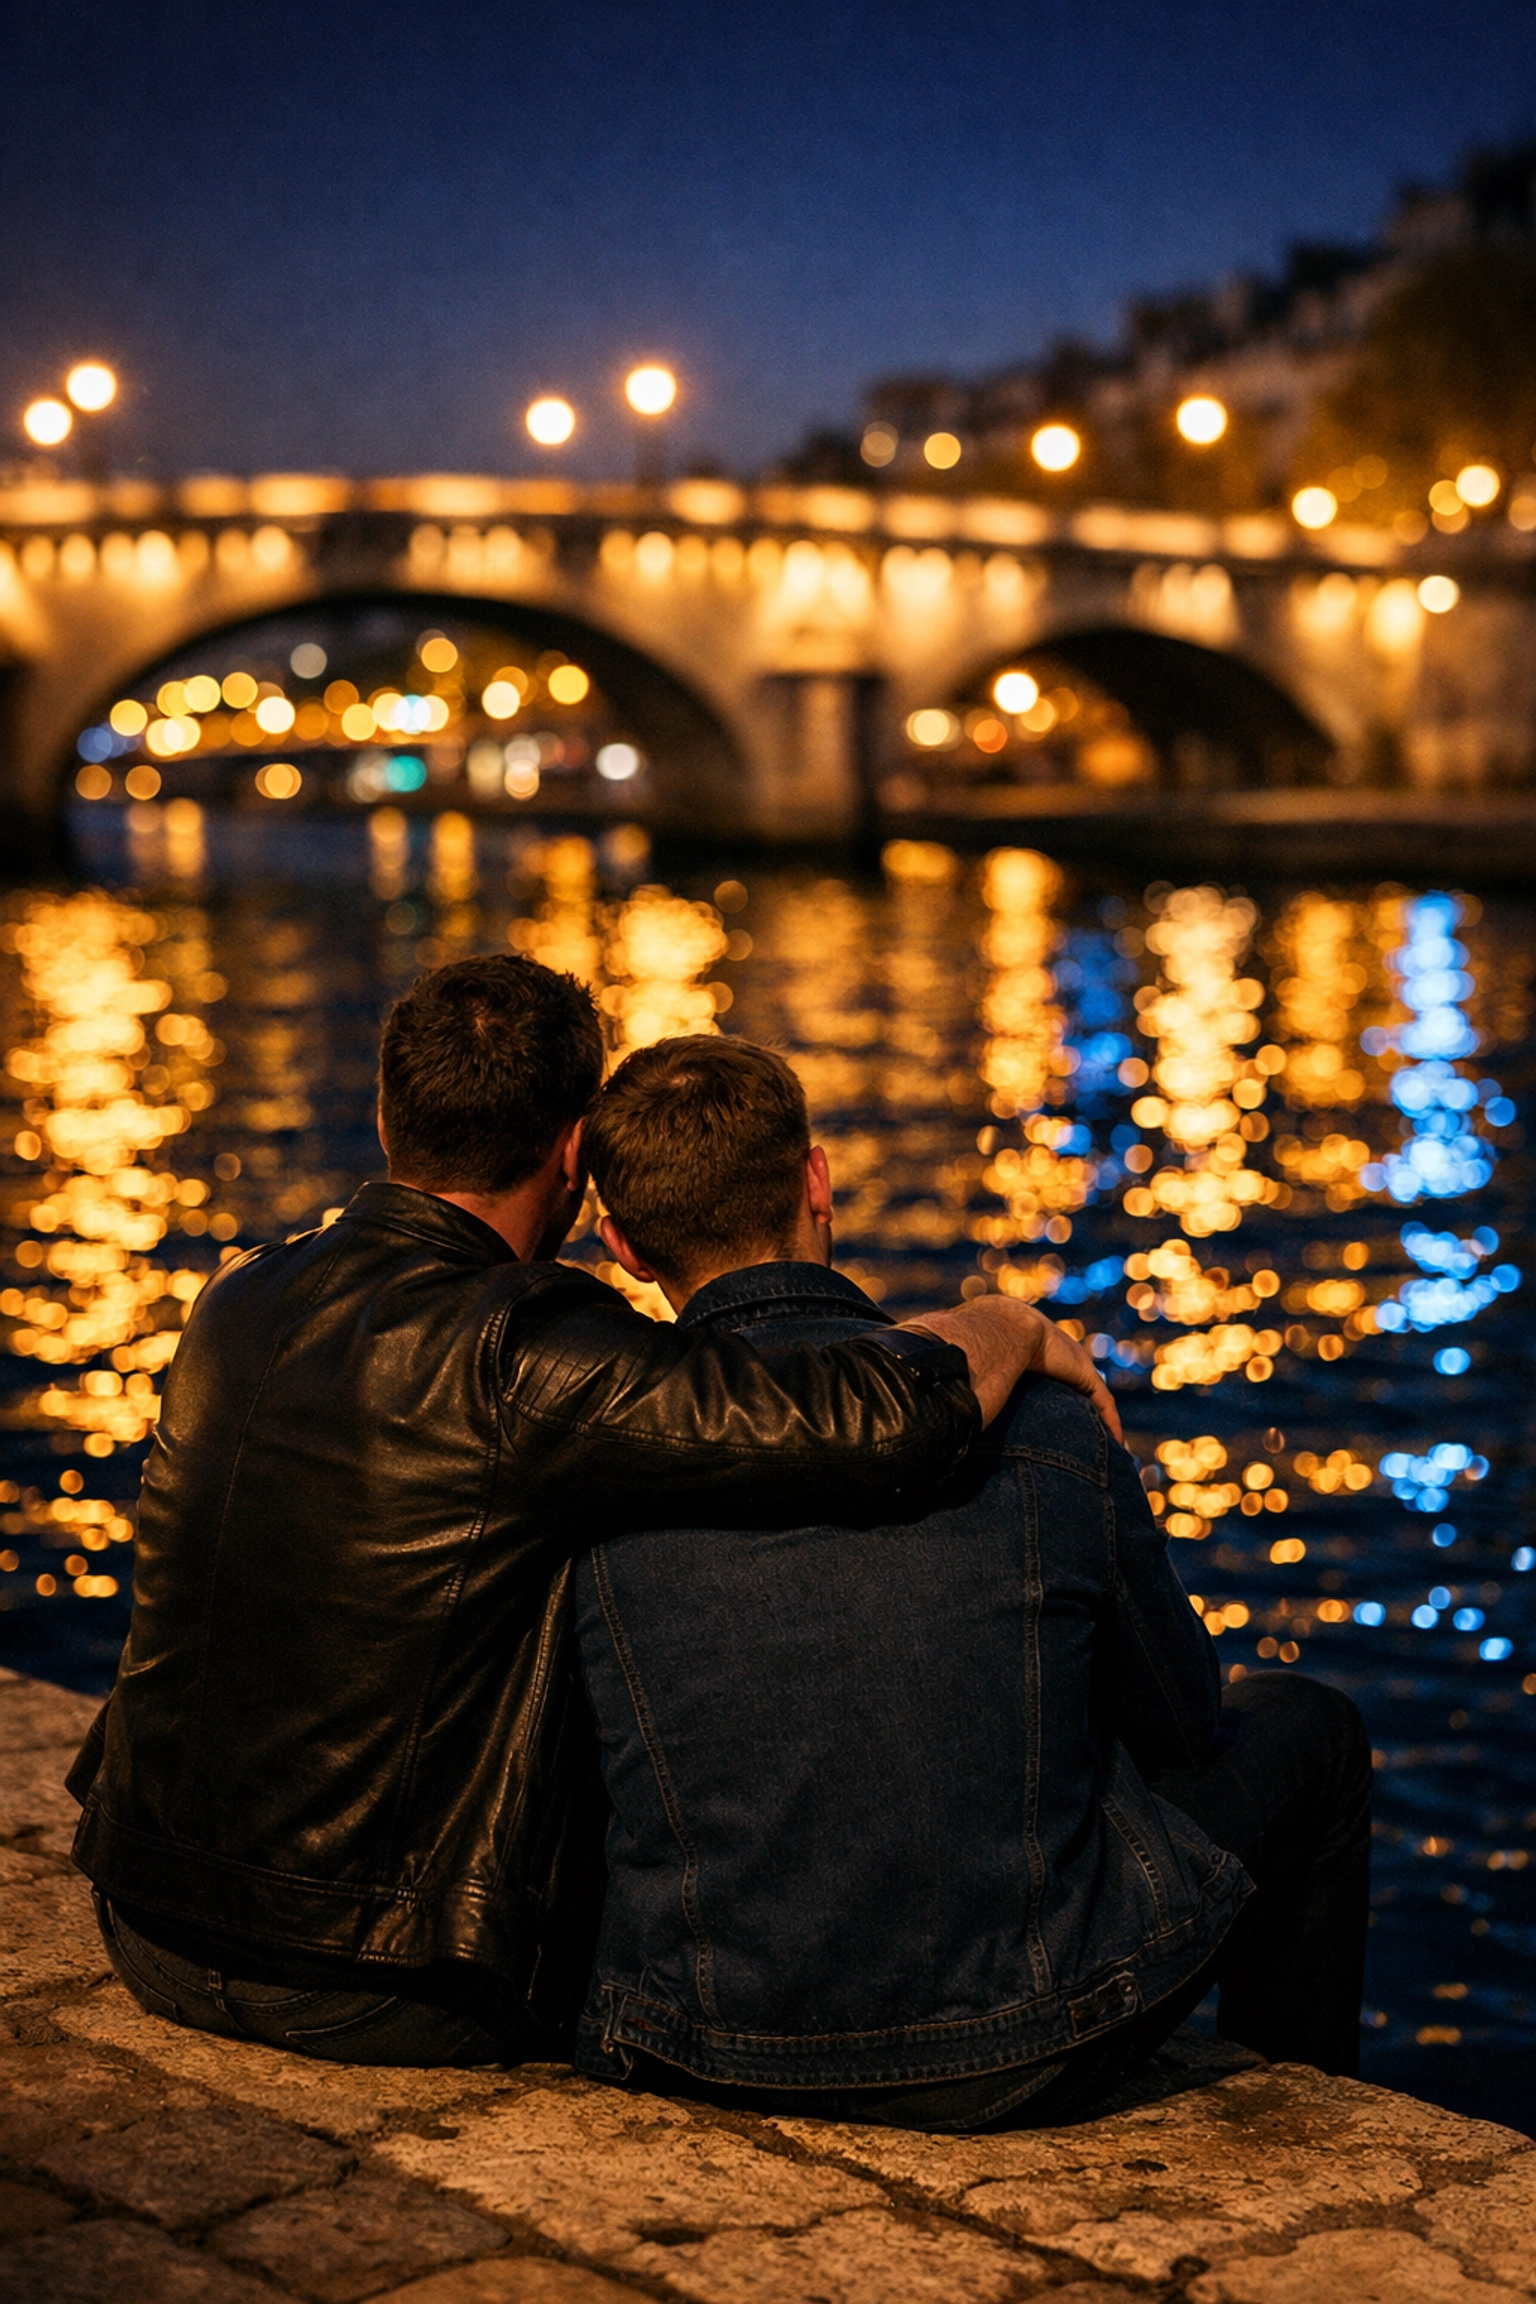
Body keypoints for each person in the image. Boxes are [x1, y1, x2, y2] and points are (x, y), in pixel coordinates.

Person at [68, 957, 1112, 2070]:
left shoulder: (238, 1295)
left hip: (147, 1914)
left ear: (387, 1116)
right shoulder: (525, 1349)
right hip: (363, 1977)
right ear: (575, 1157)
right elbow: (872, 1420)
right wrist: (1011, 1322)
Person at [574, 1035, 1373, 2130]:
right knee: (1308, 1729)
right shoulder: (1040, 1424)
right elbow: (1182, 1717)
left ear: (619, 1244)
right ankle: (1309, 2123)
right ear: (816, 1178)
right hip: (1027, 2038)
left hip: (709, 2038)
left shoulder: (584, 1457)